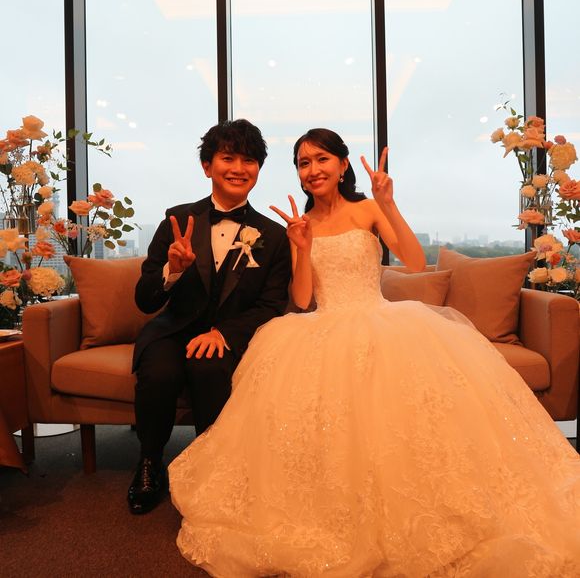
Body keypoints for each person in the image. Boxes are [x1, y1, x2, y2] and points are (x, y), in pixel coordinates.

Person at [169, 128, 580, 576]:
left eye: (322, 159)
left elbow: (415, 262)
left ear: (342, 165)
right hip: (321, 327)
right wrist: (302, 247)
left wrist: (388, 203)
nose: (313, 170)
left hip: (381, 322)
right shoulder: (300, 224)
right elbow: (303, 299)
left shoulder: (368, 210)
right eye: (304, 163)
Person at [128, 119, 292, 515]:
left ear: (258, 169)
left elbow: (271, 305)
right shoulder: (177, 220)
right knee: (159, 372)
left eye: (249, 160)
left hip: (228, 336)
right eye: (228, 158)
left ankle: (213, 464)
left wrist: (224, 333)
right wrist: (172, 271)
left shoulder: (273, 236)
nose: (239, 168)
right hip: (173, 330)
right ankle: (150, 461)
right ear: (207, 167)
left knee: (210, 368)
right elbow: (145, 300)